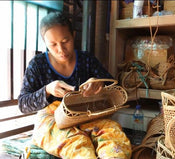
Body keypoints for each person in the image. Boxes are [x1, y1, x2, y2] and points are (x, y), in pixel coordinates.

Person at [18, 11, 132, 159]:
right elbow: (23, 103)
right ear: (45, 43)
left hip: (87, 114)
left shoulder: (87, 60)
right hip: (53, 120)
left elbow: (112, 87)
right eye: (53, 44)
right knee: (77, 144)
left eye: (65, 41)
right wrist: (47, 90)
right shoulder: (38, 64)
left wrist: (99, 85)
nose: (61, 49)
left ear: (73, 35)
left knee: (113, 135)